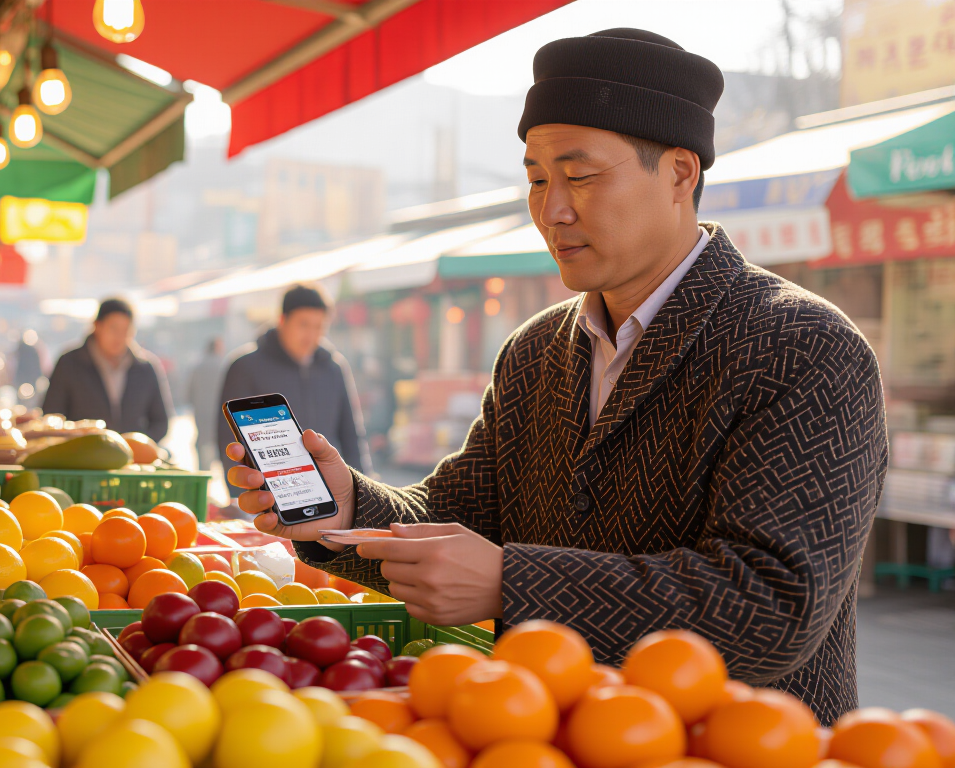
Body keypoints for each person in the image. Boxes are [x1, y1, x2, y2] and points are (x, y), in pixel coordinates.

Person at [225, 29, 886, 725]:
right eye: (538, 179)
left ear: (680, 174)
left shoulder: (805, 348)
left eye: (582, 176)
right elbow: (458, 514)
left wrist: (512, 582)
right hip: (538, 735)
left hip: (735, 745)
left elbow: (769, 606)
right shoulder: (536, 350)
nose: (552, 210)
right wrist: (348, 511)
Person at [220, 284, 371, 476]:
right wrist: (244, 491)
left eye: (319, 326)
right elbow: (229, 440)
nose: (311, 335)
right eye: (303, 324)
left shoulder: (334, 368)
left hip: (332, 486)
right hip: (271, 487)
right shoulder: (245, 368)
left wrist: (362, 488)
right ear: (282, 320)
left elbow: (351, 436)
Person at [43, 298, 173, 441]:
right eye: (113, 328)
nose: (119, 336)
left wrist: (138, 445)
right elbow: (52, 416)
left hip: (133, 453)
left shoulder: (145, 368)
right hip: (82, 452)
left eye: (126, 330)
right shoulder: (70, 364)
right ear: (97, 326)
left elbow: (160, 422)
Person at [187, 337, 227, 471]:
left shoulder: (198, 366)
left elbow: (189, 391)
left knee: (203, 440)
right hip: (219, 410)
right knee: (217, 439)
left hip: (201, 410)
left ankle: (204, 471)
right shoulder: (223, 366)